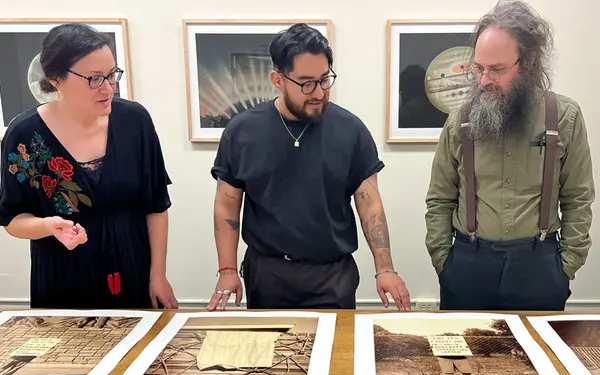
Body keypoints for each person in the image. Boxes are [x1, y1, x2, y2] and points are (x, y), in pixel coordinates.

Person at [208, 23, 410, 311]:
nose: (318, 92)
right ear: (277, 79)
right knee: (271, 354)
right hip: (268, 274)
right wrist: (227, 270)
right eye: (306, 83)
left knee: (337, 355)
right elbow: (227, 205)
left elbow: (370, 204)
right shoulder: (242, 132)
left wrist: (385, 268)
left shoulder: (351, 130)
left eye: (324, 79)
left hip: (332, 275)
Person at [425, 0, 594, 311]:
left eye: (497, 69)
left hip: (539, 268)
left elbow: (578, 198)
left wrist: (567, 266)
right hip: (468, 267)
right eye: (479, 68)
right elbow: (439, 199)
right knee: (461, 360)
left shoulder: (564, 118)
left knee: (539, 359)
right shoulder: (459, 121)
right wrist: (444, 263)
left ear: (528, 62)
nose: (484, 79)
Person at [0, 23, 177, 309]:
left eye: (111, 75)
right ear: (56, 78)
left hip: (134, 270)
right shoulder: (24, 135)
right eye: (94, 79)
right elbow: (12, 219)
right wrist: (48, 225)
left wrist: (158, 274)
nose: (108, 88)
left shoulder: (134, 121)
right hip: (64, 278)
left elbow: (156, 205)